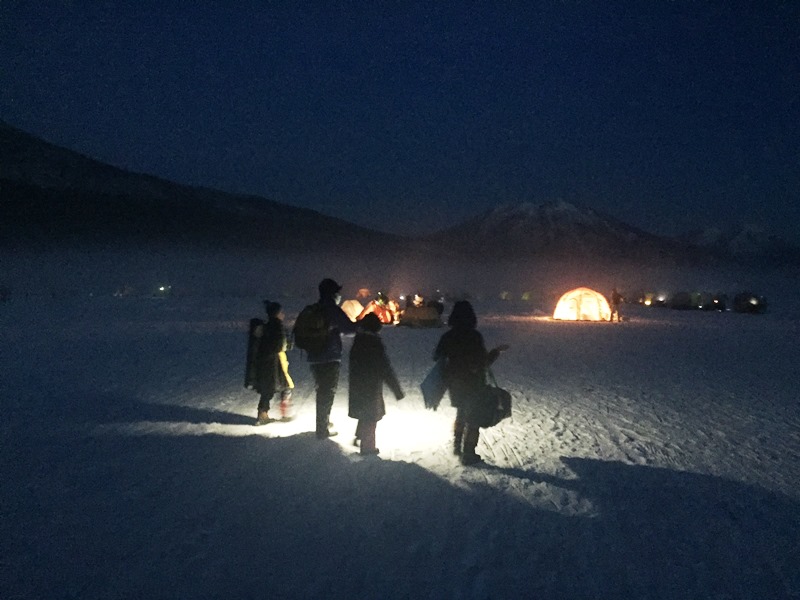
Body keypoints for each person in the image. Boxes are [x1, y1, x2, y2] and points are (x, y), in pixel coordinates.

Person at [433, 300, 508, 465]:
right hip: (474, 383)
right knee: (473, 419)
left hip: (454, 382)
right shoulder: (474, 336)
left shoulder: (448, 336)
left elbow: (437, 356)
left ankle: (457, 444)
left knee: (460, 413)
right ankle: (468, 453)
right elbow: (483, 362)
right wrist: (496, 351)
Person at [306, 278, 358, 439]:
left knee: (321, 390)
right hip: (329, 356)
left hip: (313, 357)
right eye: (338, 292)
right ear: (333, 293)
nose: (339, 295)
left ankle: (324, 423)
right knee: (327, 392)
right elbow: (349, 328)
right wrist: (363, 324)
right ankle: (322, 429)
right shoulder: (332, 309)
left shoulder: (314, 308)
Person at [348, 313, 404, 455]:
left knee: (364, 411)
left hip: (357, 383)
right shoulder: (374, 343)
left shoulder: (358, 340)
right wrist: (396, 390)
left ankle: (360, 435)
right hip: (370, 385)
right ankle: (368, 448)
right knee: (370, 416)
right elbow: (384, 368)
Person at [255, 301, 294, 425]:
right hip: (275, 363)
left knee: (269, 388)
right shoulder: (277, 326)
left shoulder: (266, 326)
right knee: (284, 387)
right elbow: (280, 346)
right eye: (281, 312)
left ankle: (263, 413)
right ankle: (280, 413)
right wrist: (288, 343)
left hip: (266, 361)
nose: (283, 314)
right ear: (277, 313)